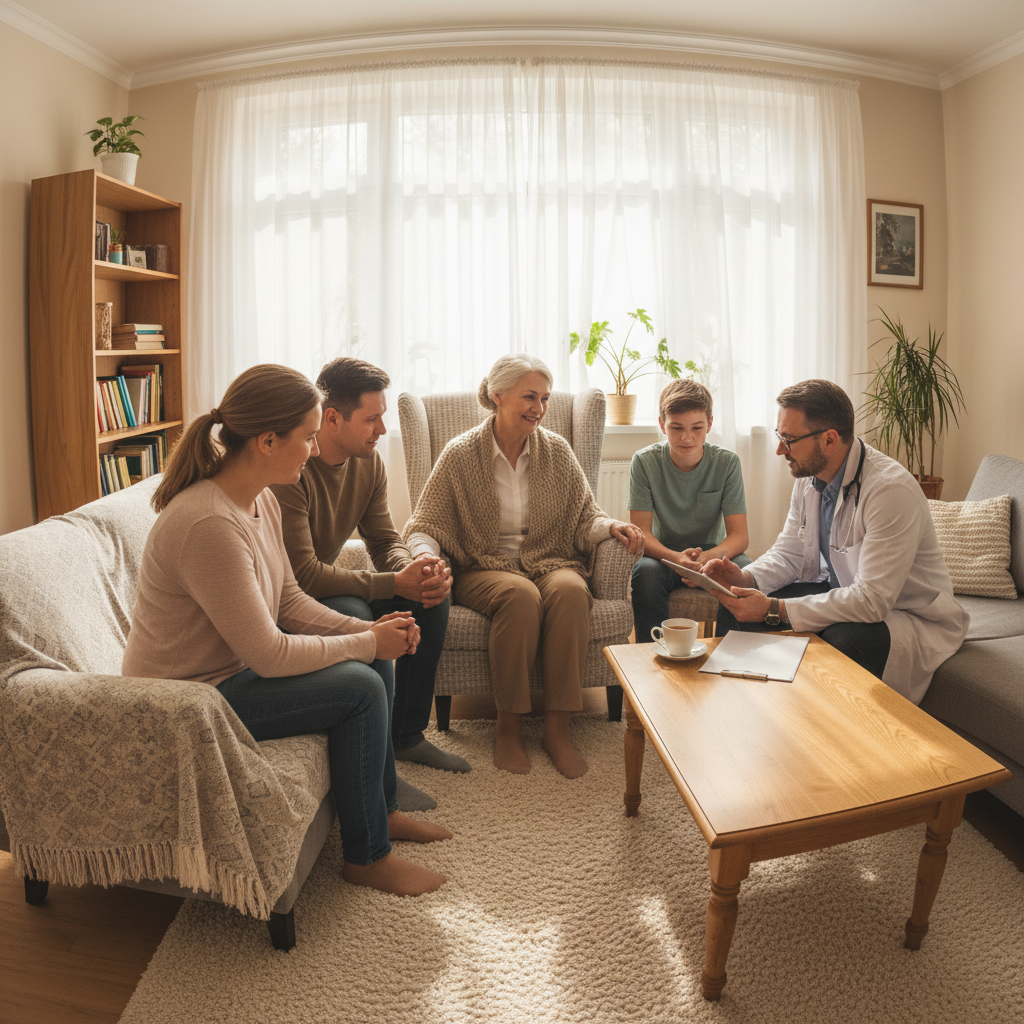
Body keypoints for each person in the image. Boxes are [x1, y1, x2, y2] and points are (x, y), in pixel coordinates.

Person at [122, 364, 451, 897]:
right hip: (187, 701)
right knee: (363, 685)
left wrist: (373, 632)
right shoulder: (210, 523)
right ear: (268, 441)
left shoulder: (262, 500)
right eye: (307, 434)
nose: (314, 444)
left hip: (228, 675)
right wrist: (366, 640)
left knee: (374, 655)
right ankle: (367, 858)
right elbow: (270, 655)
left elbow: (290, 600)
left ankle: (381, 812)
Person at [402, 354, 645, 778]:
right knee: (519, 595)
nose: (539, 407)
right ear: (498, 396)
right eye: (529, 396)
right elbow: (424, 524)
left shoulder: (557, 451)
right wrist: (424, 554)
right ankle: (509, 729)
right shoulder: (460, 454)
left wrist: (612, 527)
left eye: (545, 398)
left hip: (549, 559)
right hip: (482, 565)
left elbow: (585, 516)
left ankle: (557, 729)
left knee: (571, 591)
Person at [270, 358, 468, 815]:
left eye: (384, 416)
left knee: (433, 601)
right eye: (372, 418)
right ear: (332, 417)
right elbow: (304, 575)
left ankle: (407, 735)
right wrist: (391, 582)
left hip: (325, 580)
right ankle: (379, 771)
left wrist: (415, 570)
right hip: (297, 597)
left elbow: (382, 539)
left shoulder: (368, 462)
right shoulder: (292, 470)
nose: (382, 429)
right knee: (359, 618)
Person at [702, 378, 969, 704]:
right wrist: (746, 577)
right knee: (738, 602)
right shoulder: (808, 477)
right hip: (842, 592)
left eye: (789, 439)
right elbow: (790, 552)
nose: (779, 450)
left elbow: (872, 600)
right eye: (779, 436)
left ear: (829, 439)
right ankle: (745, 708)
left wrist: (775, 609)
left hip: (906, 616)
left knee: (844, 639)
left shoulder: (889, 490)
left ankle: (833, 736)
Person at [628, 378, 750, 644]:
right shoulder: (644, 462)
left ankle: (727, 657)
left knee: (746, 574)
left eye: (697, 427)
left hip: (713, 552)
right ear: (662, 425)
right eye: (676, 428)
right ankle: (654, 656)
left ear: (709, 424)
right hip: (662, 555)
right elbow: (642, 534)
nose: (687, 437)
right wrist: (676, 558)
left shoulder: (727, 463)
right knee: (644, 574)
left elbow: (739, 537)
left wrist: (706, 558)